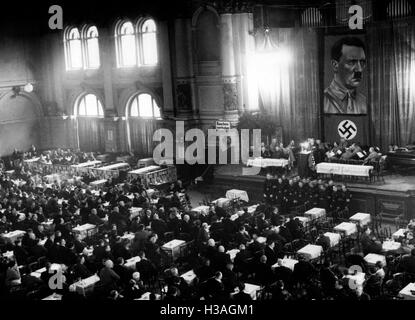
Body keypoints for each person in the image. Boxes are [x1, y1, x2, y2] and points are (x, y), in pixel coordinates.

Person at [324, 36, 367, 114]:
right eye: (351, 62)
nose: (359, 69)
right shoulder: (321, 102)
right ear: (335, 65)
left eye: (362, 62)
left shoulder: (364, 103)